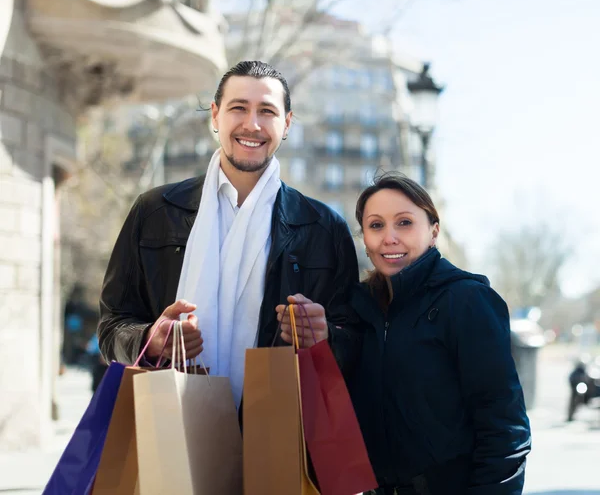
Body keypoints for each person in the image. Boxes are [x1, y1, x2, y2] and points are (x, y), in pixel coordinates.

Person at [98, 61, 358, 407]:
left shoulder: (324, 228)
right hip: (173, 425)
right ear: (215, 115)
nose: (252, 124)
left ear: (287, 124)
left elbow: (357, 343)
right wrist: (149, 338)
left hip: (279, 430)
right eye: (239, 108)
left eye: (267, 111)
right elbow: (110, 328)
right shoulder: (154, 211)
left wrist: (326, 336)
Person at [348, 173, 531, 495]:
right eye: (376, 225)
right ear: (364, 236)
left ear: (433, 231)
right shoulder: (363, 308)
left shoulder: (466, 300)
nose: (389, 237)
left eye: (404, 222)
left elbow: (505, 427)